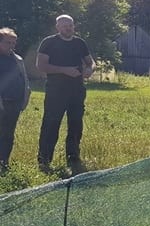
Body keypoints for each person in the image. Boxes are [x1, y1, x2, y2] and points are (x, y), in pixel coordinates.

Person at [36, 14, 95, 172]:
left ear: (73, 26)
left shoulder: (80, 43)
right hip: (56, 90)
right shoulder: (49, 42)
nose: (68, 28)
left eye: (70, 25)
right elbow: (41, 66)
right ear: (57, 27)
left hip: (77, 90)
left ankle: (73, 157)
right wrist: (64, 70)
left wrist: (89, 69)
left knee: (76, 123)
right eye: (64, 26)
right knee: (51, 124)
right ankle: (44, 159)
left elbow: (90, 62)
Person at [0, 28, 31, 172]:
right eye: (8, 43)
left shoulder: (17, 59)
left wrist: (26, 95)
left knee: (8, 134)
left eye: (13, 43)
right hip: (2, 101)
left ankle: (3, 162)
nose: (11, 46)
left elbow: (24, 78)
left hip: (14, 102)